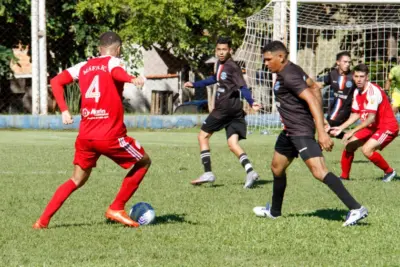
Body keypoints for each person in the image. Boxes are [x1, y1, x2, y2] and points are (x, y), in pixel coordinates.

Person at [33, 32, 150, 229]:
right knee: (144, 161)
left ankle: (42, 221)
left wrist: (64, 110)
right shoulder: (114, 62)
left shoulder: (84, 65)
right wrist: (131, 78)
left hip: (86, 136)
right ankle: (116, 207)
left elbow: (55, 81)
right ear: (118, 49)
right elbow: (116, 73)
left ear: (99, 49)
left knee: (76, 179)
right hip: (110, 135)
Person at [252, 41, 367, 227]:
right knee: (276, 168)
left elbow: (311, 99)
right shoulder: (291, 69)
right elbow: (314, 87)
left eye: (268, 60)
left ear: (280, 57)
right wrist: (321, 120)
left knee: (319, 171)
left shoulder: (289, 75)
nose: (266, 63)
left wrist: (322, 132)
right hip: (289, 130)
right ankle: (274, 211)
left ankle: (356, 208)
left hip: (300, 130)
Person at [184, 36, 261, 188]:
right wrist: (195, 84)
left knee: (202, 136)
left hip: (224, 109)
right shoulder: (220, 63)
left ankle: (208, 172)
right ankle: (250, 171)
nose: (221, 52)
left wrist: (252, 102)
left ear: (230, 50)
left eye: (224, 49)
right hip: (234, 110)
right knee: (233, 144)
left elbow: (243, 87)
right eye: (219, 49)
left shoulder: (232, 66)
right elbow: (214, 78)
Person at [331, 64, 398, 182]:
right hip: (372, 127)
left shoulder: (372, 92)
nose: (359, 79)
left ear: (367, 77)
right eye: (356, 76)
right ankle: (344, 177)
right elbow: (356, 114)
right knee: (349, 145)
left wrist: (352, 131)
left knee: (367, 150)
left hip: (387, 127)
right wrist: (341, 128)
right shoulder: (357, 92)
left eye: (362, 76)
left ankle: (389, 172)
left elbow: (371, 118)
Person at [321, 51, 356, 138]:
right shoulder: (333, 74)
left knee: (325, 130)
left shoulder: (353, 76)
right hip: (333, 109)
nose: (347, 64)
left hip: (345, 110)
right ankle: (352, 139)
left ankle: (315, 149)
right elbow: (321, 84)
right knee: (330, 131)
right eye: (345, 62)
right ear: (338, 62)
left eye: (349, 62)